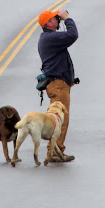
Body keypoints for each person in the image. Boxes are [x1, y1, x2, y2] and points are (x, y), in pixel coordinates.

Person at [37, 8, 79, 162]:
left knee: (57, 120)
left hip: (58, 84)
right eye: (55, 18)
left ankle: (54, 151)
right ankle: (55, 151)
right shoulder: (50, 38)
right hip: (58, 85)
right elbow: (73, 35)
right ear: (49, 23)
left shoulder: (48, 38)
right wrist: (67, 18)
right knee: (61, 120)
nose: (58, 19)